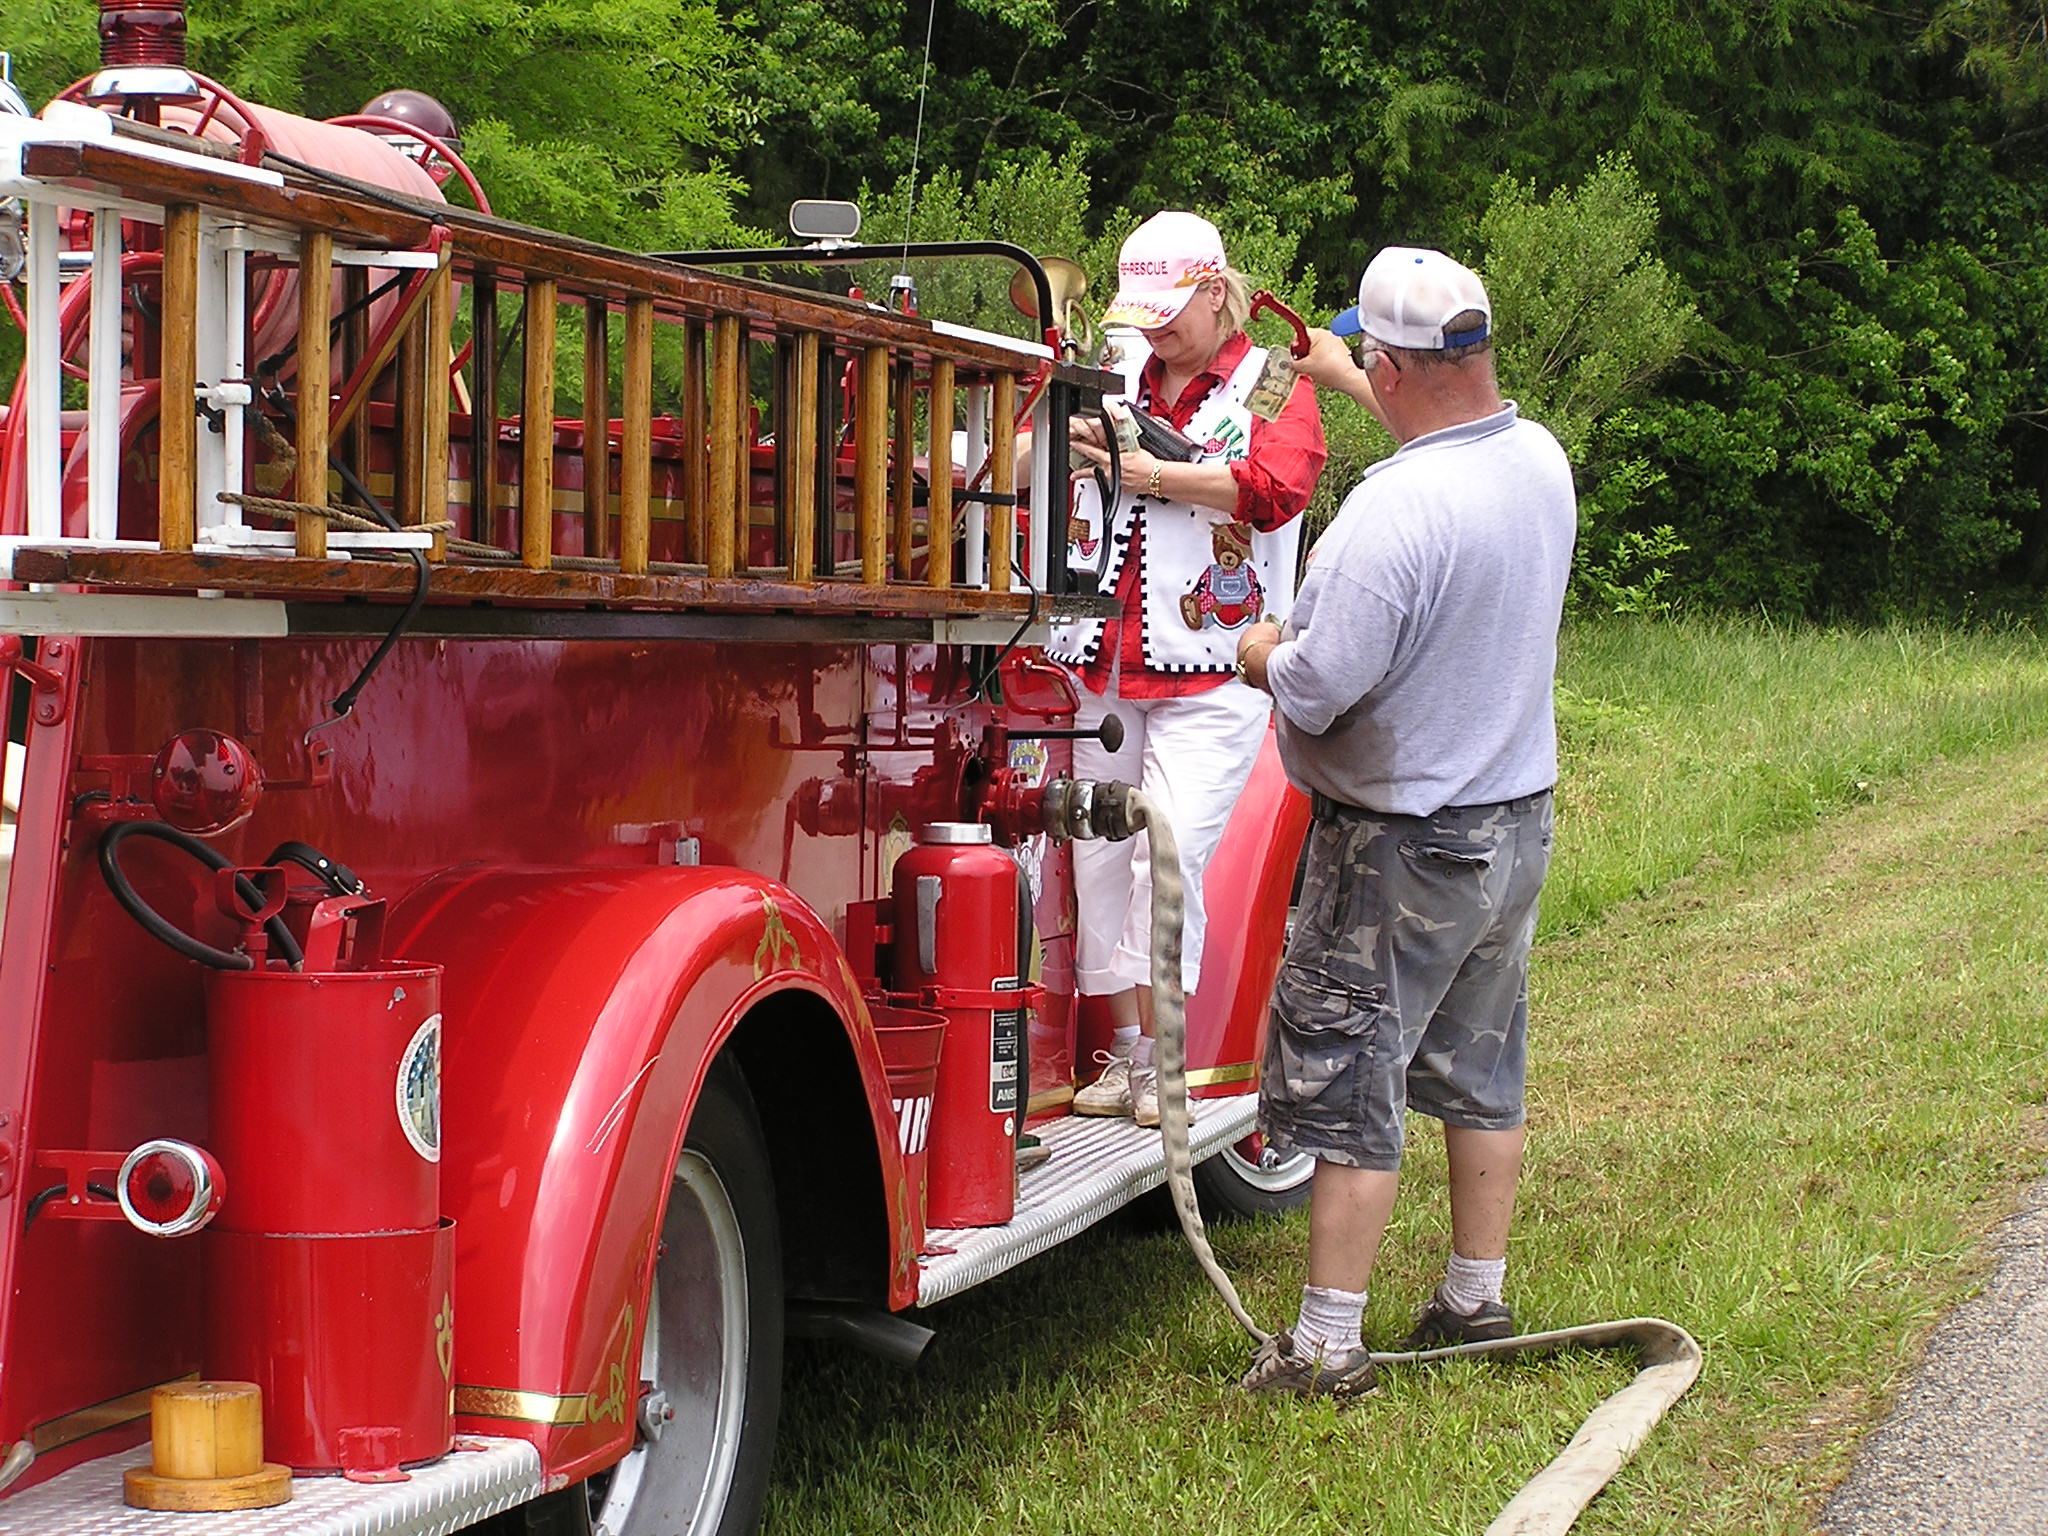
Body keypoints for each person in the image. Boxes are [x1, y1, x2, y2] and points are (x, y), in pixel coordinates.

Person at [1232, 247, 1577, 1398]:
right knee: (1481, 1069)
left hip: (1399, 847)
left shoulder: (1387, 514)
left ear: (1392, 362)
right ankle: (1471, 1300)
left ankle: (1326, 1348)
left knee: (1345, 1079)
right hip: (1508, 826)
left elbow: (1319, 684)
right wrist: (1345, 379)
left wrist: (1258, 649)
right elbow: (1442, 456)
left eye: (1365, 360)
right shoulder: (1534, 459)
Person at [1050, 211, 1325, 1128]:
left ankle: (1164, 1060)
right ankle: (1128, 1054)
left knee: (1165, 861)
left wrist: (1148, 473)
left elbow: (1281, 486)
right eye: (1145, 311)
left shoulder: (1274, 377)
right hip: (1101, 662)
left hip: (1212, 669)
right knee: (1097, 859)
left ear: (1216, 290)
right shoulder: (1112, 367)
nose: (1155, 328)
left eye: (1172, 310)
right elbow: (1034, 450)